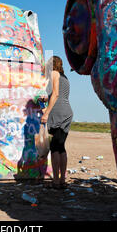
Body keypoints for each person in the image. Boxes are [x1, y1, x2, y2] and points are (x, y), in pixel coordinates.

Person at [41, 56, 73, 189]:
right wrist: (46, 97)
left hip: (58, 113)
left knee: (54, 147)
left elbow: (56, 95)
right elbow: (58, 94)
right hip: (67, 112)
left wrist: (46, 113)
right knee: (61, 147)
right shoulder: (65, 78)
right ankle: (62, 180)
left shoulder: (54, 73)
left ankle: (55, 181)